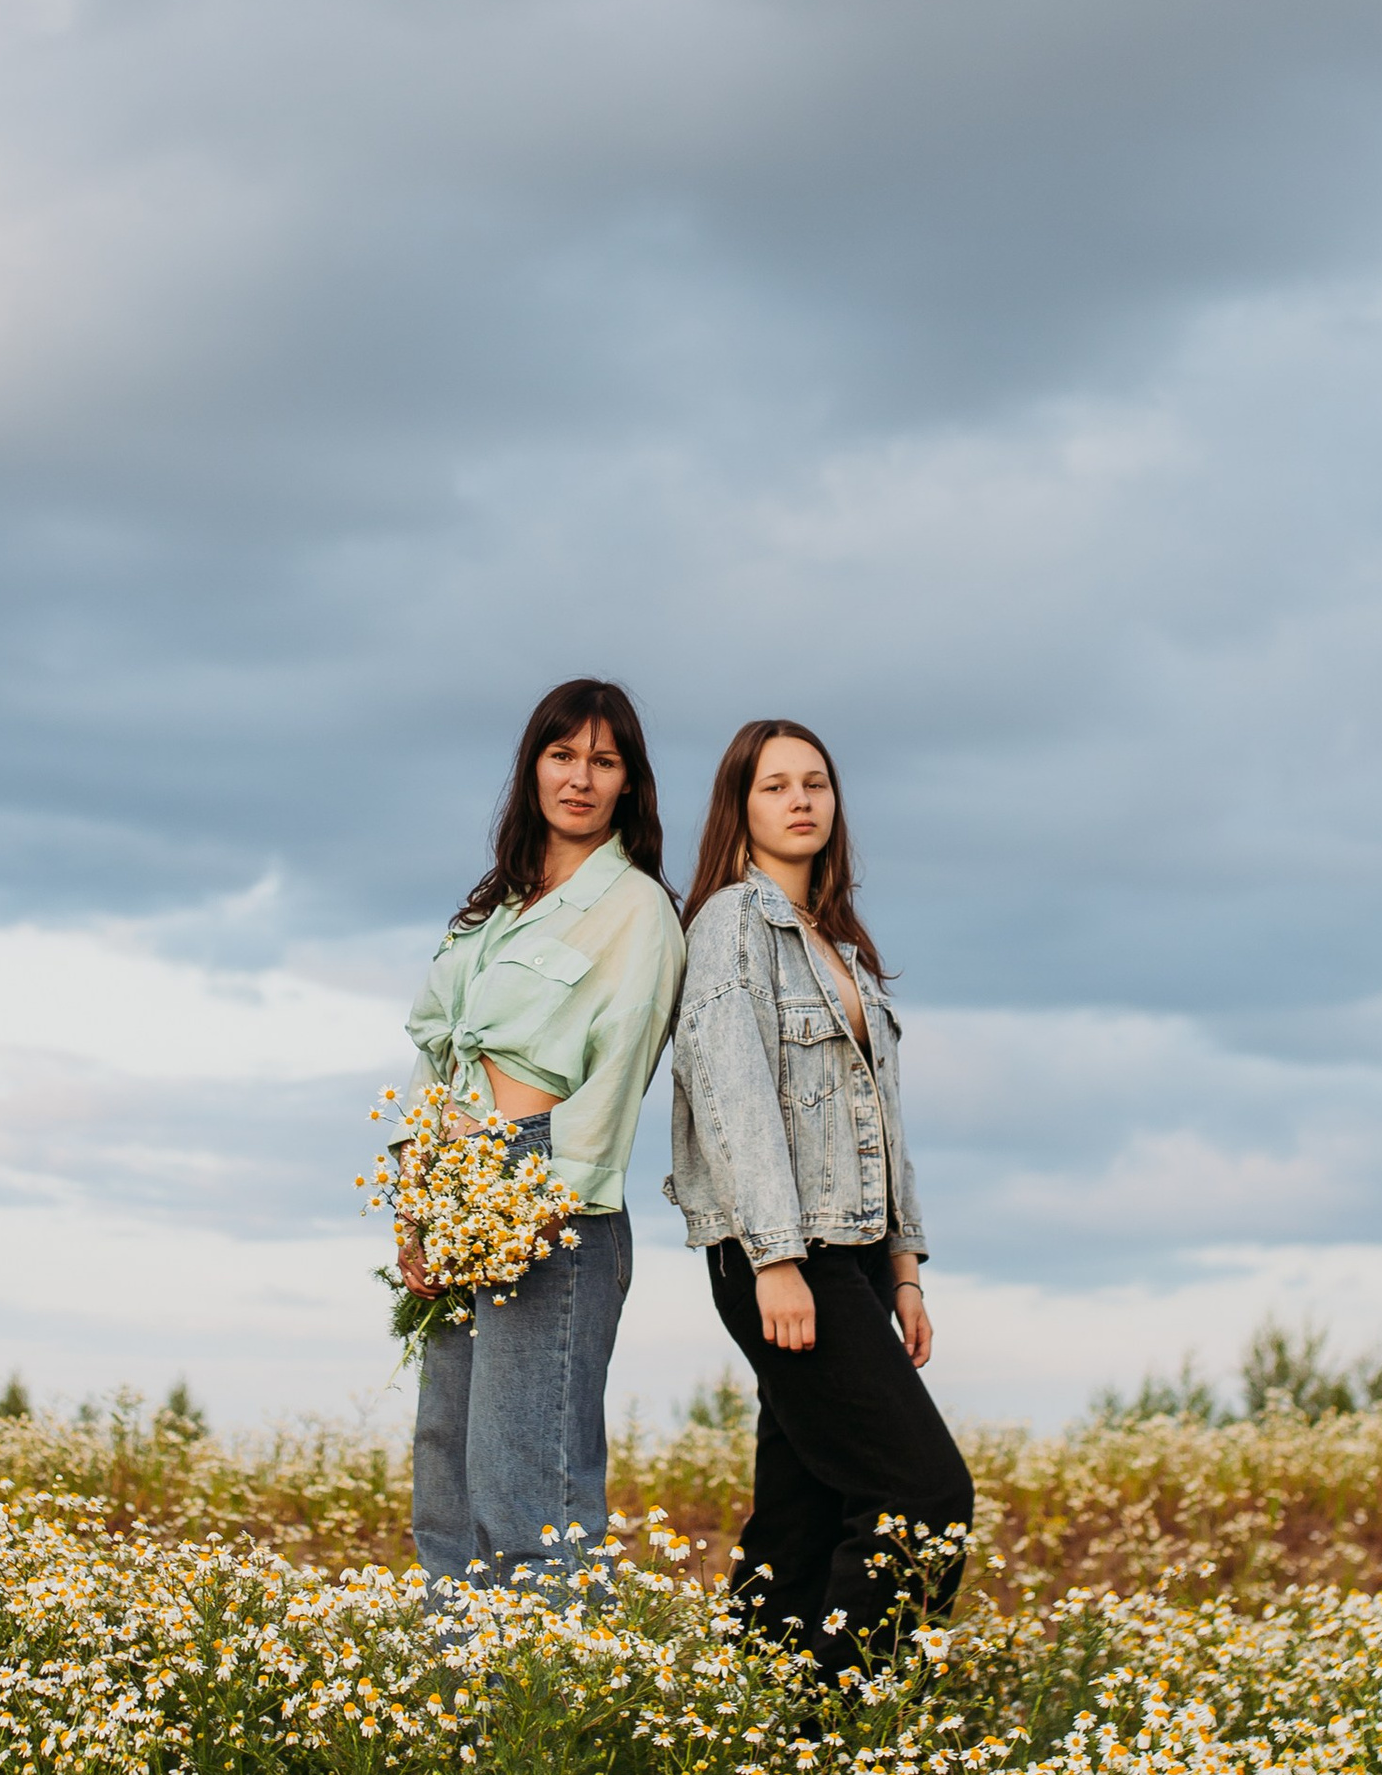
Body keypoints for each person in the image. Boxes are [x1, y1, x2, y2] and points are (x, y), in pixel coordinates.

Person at [668, 718, 973, 1680]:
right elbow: (733, 1097)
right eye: (775, 785)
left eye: (816, 782)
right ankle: (840, 1728)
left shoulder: (839, 944)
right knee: (923, 1496)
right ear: (740, 807)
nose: (800, 799)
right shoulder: (730, 926)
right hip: (783, 1258)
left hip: (855, 1256)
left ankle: (749, 1723)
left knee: (798, 1522)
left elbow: (886, 1119)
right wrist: (777, 1258)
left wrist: (905, 1269)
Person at [403, 678, 685, 1592]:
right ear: (533, 768)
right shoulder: (495, 911)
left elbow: (620, 1068)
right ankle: (455, 1677)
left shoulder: (637, 909)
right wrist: (417, 1201)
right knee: (448, 1483)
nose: (580, 777)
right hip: (457, 1179)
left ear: (629, 782)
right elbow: (437, 1059)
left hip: (549, 1184)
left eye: (603, 761)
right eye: (562, 755)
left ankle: (551, 1683)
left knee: (527, 1485)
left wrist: (545, 1202)